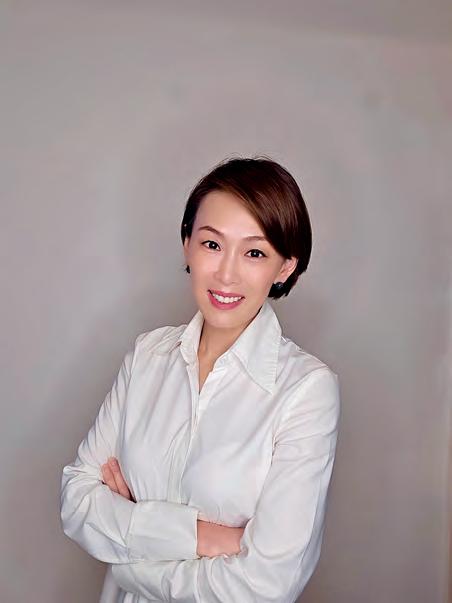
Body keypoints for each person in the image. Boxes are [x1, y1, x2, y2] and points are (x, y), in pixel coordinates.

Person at [60, 156, 341, 603]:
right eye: (212, 244)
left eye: (254, 253)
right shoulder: (147, 356)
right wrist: (203, 537)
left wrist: (130, 556)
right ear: (187, 244)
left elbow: (267, 585)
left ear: (285, 268)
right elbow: (76, 502)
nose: (226, 274)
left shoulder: (306, 390)